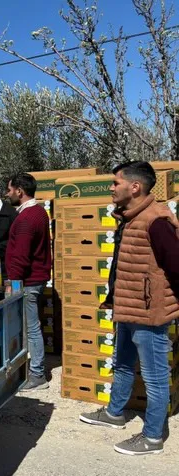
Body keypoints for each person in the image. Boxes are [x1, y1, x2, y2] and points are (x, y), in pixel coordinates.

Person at [79, 161, 179, 456]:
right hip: (127, 306)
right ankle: (115, 413)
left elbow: (176, 265)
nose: (111, 188)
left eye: (115, 183)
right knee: (122, 363)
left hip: (148, 313)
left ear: (135, 187)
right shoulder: (130, 218)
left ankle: (152, 438)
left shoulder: (156, 221)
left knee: (155, 377)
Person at [4, 173, 52, 391]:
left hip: (28, 281)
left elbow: (21, 256)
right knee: (31, 327)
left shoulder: (26, 218)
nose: (7, 194)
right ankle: (30, 369)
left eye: (9, 190)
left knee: (31, 328)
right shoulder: (39, 212)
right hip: (35, 278)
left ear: (20, 191)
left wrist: (13, 283)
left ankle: (37, 375)